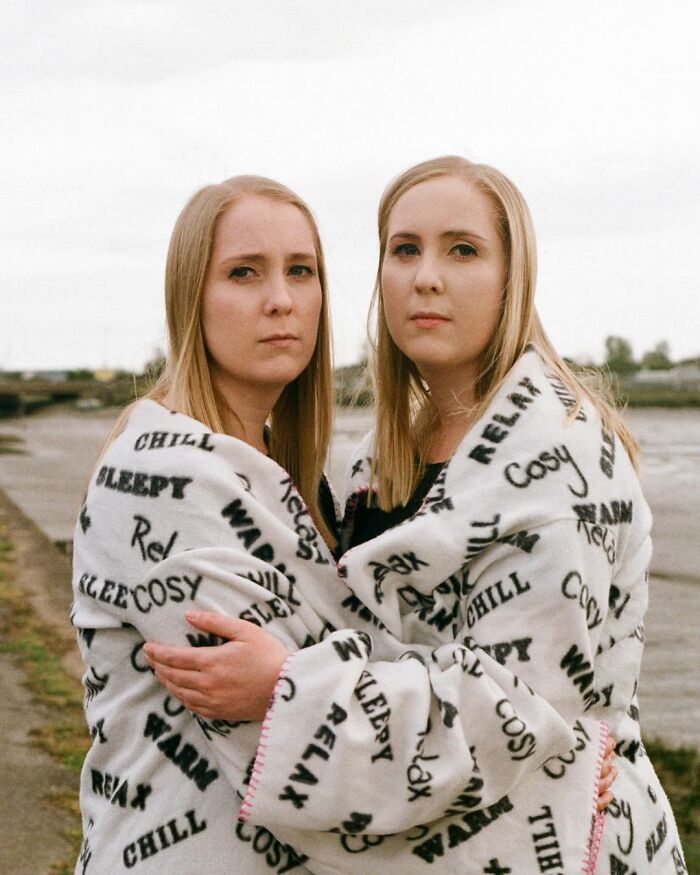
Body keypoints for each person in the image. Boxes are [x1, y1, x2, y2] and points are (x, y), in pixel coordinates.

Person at [144, 158, 667, 874]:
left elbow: (518, 719)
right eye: (404, 249)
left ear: (514, 277)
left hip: (563, 846)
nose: (426, 276)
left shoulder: (563, 454)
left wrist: (290, 685)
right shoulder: (376, 462)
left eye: (463, 250)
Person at [71, 174, 350, 873]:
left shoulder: (285, 473)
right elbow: (292, 751)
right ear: (190, 298)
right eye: (244, 272)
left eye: (301, 271)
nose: (281, 299)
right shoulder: (167, 479)